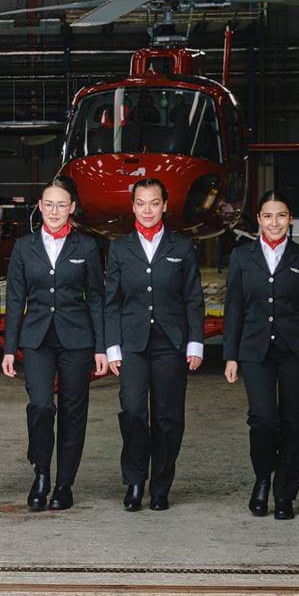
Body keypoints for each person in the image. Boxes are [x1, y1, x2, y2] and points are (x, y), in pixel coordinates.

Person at [223, 191, 299, 520]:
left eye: (281, 215)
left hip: (296, 351)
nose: (274, 222)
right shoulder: (242, 257)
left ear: (290, 219)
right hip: (255, 351)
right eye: (268, 216)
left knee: (296, 423)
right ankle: (262, 479)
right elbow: (234, 310)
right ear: (258, 220)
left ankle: (285, 494)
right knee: (264, 418)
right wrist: (230, 355)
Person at [2, 177, 107, 511]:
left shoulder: (86, 247)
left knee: (74, 412)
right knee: (42, 406)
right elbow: (15, 298)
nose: (55, 211)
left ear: (72, 208)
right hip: (37, 339)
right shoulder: (24, 247)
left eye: (62, 205)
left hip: (77, 339)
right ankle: (42, 472)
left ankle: (64, 484)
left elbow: (96, 299)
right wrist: (9, 348)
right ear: (40, 207)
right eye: (49, 204)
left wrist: (101, 347)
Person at [105, 177, 204, 512]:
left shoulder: (182, 248)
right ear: (133, 206)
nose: (148, 210)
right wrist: (112, 346)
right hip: (132, 344)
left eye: (154, 203)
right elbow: (112, 302)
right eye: (141, 203)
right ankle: (134, 481)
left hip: (171, 343)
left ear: (165, 205)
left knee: (167, 418)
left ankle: (160, 486)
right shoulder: (119, 248)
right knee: (133, 411)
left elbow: (193, 298)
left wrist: (195, 343)